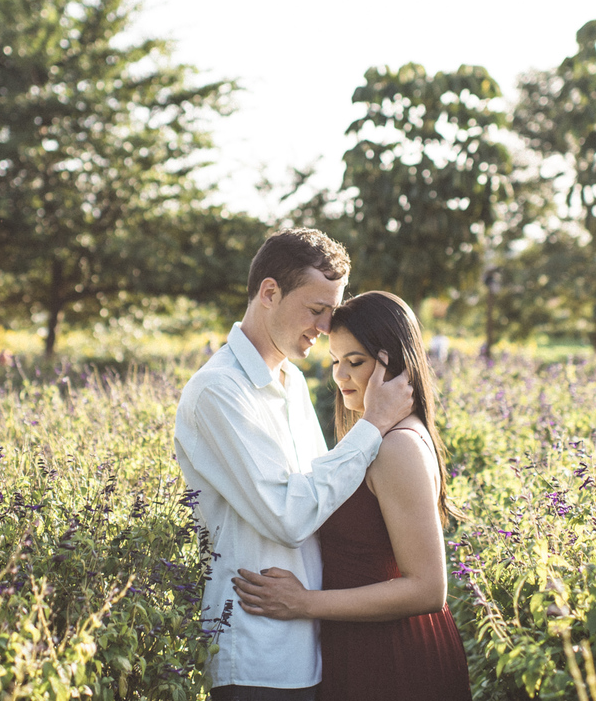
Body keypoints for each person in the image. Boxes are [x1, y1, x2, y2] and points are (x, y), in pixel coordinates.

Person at [174, 230, 414, 700]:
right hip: (256, 652)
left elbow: (321, 498)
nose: (326, 327)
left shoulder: (292, 383)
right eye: (316, 309)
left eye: (331, 312)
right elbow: (289, 516)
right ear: (269, 292)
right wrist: (374, 424)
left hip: (311, 643)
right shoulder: (219, 390)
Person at [232, 291, 471, 700]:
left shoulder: (399, 446)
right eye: (335, 361)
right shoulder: (375, 438)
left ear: (394, 365)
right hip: (359, 644)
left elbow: (428, 588)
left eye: (355, 362)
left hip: (394, 656)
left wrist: (303, 603)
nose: (340, 376)